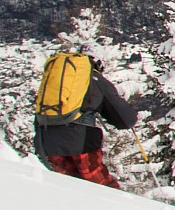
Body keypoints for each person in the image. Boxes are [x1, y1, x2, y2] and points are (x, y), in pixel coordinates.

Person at [33, 51, 139, 188]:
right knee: (103, 188)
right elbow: (126, 119)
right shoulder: (94, 80)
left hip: (47, 140)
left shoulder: (56, 79)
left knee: (65, 187)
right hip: (79, 141)